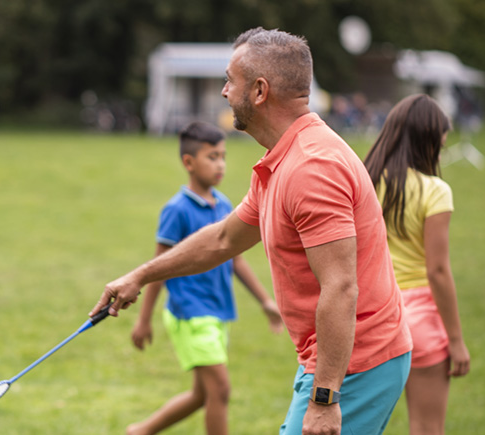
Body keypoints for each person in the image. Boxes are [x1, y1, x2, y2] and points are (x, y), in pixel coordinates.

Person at [91, 27, 413, 435]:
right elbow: (224, 239)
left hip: (359, 364)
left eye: (231, 80)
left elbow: (341, 287)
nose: (225, 91)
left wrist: (325, 399)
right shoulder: (281, 161)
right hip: (335, 361)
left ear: (259, 91)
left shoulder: (313, 169)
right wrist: (141, 274)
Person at [126, 121, 284, 435]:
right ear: (188, 162)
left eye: (223, 156)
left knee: (203, 395)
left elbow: (235, 260)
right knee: (220, 390)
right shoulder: (177, 210)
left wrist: (265, 301)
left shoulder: (225, 205)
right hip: (190, 313)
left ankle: (140, 431)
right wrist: (143, 320)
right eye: (212, 157)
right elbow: (158, 267)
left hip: (216, 311)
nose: (221, 164)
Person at [362, 94, 471, 435]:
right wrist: (455, 339)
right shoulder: (435, 191)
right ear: (426, 142)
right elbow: (437, 272)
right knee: (426, 428)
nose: (440, 153)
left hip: (371, 318)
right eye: (439, 145)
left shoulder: (364, 183)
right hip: (420, 320)